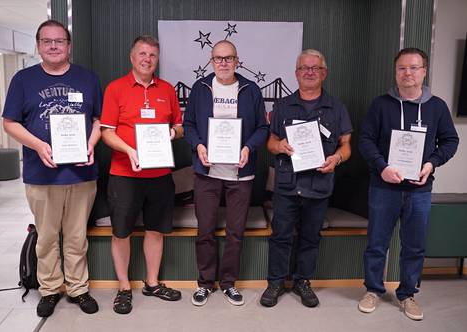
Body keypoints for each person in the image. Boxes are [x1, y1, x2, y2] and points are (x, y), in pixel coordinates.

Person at [2, 19, 101, 317]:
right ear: (38, 45)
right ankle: (49, 289)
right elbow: (9, 123)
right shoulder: (23, 79)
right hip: (41, 174)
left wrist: (91, 144)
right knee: (46, 237)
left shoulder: (88, 78)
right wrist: (38, 145)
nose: (54, 46)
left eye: (60, 41)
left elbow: (99, 120)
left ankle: (78, 288)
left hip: (81, 173)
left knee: (76, 237)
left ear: (69, 45)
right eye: (47, 41)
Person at [358, 48, 459, 321]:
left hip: (419, 190)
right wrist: (383, 167)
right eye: (402, 68)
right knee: (377, 243)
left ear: (424, 71)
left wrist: (431, 163)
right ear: (396, 72)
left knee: (414, 246)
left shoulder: (437, 107)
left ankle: (407, 294)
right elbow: (366, 140)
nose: (407, 73)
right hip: (383, 187)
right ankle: (373, 290)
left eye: (414, 68)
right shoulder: (381, 105)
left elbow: (450, 141)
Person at [260, 49, 352, 308]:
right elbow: (270, 141)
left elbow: (346, 145)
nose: (309, 72)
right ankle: (276, 281)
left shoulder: (337, 108)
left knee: (311, 236)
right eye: (304, 68)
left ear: (324, 73)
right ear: (296, 73)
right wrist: (279, 147)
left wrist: (337, 159)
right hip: (288, 184)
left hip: (319, 184)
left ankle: (303, 281)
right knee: (281, 235)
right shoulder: (282, 106)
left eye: (315, 68)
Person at [100, 35, 183, 314]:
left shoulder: (167, 89)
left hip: (159, 174)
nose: (147, 59)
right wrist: (130, 150)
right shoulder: (115, 88)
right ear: (132, 57)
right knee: (121, 232)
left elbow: (180, 126)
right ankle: (124, 287)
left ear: (157, 60)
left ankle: (152, 282)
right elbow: (106, 132)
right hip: (124, 173)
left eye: (152, 55)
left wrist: (172, 132)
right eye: (142, 54)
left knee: (155, 230)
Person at [183, 40, 268, 306]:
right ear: (211, 61)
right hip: (207, 172)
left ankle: (229, 283)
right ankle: (205, 283)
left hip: (240, 174)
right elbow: (189, 125)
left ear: (237, 61)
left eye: (228, 58)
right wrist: (198, 146)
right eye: (218, 59)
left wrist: (248, 148)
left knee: (235, 232)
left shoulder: (251, 89)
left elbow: (262, 129)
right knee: (205, 230)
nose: (223, 63)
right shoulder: (200, 87)